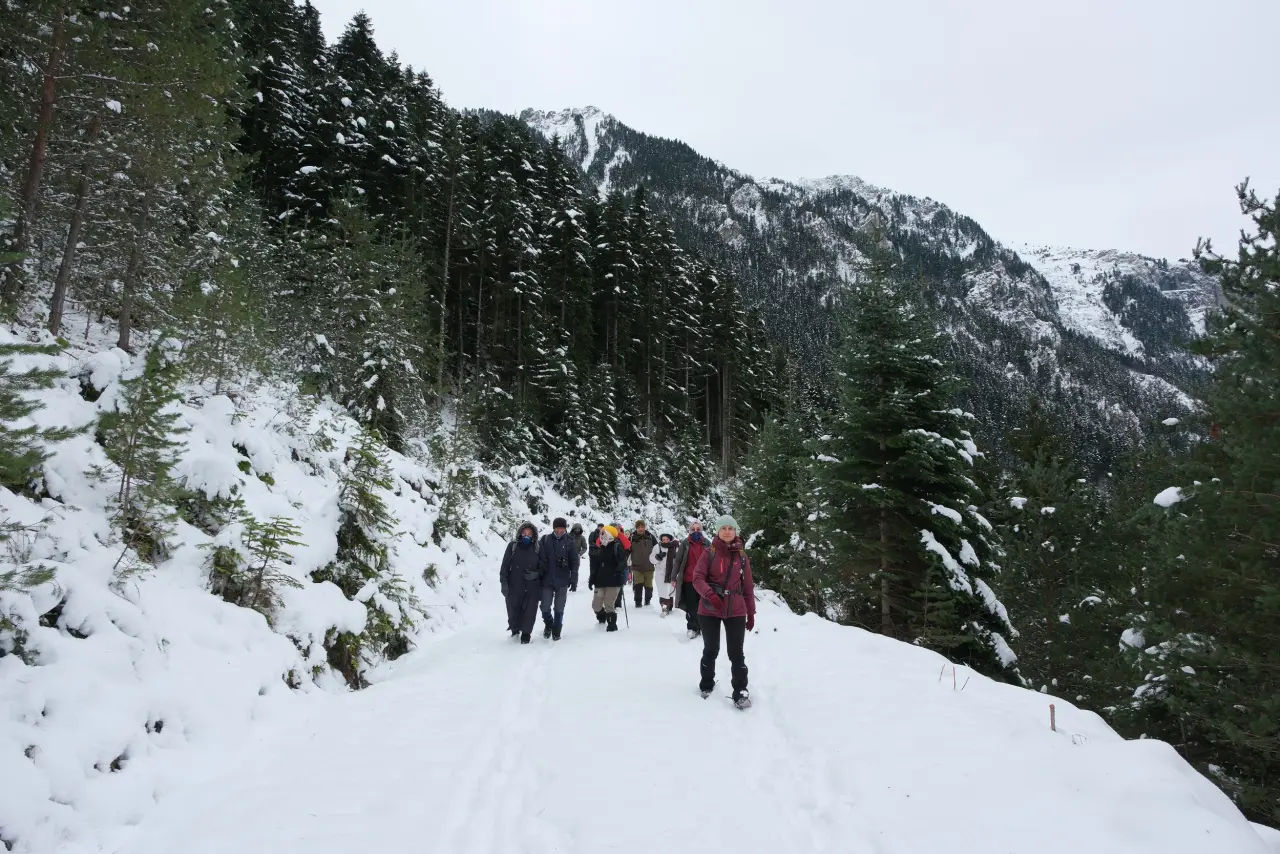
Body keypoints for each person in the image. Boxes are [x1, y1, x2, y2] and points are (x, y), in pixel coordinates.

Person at [692, 515, 756, 709]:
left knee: (736, 653)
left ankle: (740, 692)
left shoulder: (742, 557)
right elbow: (697, 578)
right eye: (723, 528)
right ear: (718, 532)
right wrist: (710, 595)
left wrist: (751, 613)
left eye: (731, 528)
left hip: (736, 608)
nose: (727, 531)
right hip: (710, 608)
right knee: (711, 649)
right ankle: (706, 684)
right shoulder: (708, 552)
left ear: (735, 531)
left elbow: (748, 587)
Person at [499, 521, 542, 644]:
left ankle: (526, 634)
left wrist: (536, 574)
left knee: (530, 611)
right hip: (514, 585)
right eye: (524, 532)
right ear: (520, 533)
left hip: (532, 586)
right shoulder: (512, 546)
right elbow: (505, 566)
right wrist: (504, 583)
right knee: (513, 609)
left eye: (529, 533)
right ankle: (514, 629)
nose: (527, 535)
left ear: (533, 535)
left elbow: (544, 566)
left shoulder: (537, 548)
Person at [538, 518, 580, 640]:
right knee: (545, 606)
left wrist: (574, 579)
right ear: (554, 528)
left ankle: (557, 628)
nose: (560, 530)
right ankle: (548, 623)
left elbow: (574, 561)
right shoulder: (545, 540)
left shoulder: (570, 542)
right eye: (558, 528)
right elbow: (539, 558)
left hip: (562, 579)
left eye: (562, 528)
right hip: (547, 579)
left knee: (559, 606)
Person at [668, 521, 708, 639]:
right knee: (691, 606)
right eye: (693, 529)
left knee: (704, 605)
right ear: (690, 530)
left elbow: (713, 560)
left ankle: (703, 627)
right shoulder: (685, 543)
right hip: (688, 580)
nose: (696, 531)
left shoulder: (707, 543)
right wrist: (673, 577)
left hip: (704, 580)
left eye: (698, 529)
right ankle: (692, 627)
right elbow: (678, 561)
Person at [588, 524, 627, 632]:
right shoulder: (600, 548)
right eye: (601, 533)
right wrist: (592, 578)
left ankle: (612, 625)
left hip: (613, 580)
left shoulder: (617, 547)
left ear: (610, 534)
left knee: (609, 604)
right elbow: (595, 565)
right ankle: (602, 617)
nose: (602, 535)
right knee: (596, 605)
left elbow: (623, 561)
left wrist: (619, 570)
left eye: (604, 533)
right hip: (600, 581)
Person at [628, 520, 658, 608]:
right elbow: (626, 550)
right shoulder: (632, 538)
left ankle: (648, 601)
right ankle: (638, 602)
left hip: (649, 566)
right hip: (637, 567)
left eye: (642, 527)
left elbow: (657, 549)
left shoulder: (651, 537)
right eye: (639, 527)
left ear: (645, 527)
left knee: (649, 585)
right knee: (638, 585)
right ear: (636, 528)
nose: (640, 529)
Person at [652, 533, 678, 615]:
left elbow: (680, 559)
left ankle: (669, 608)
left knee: (670, 591)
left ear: (670, 539)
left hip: (672, 572)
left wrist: (676, 556)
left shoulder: (675, 547)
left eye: (667, 539)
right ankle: (664, 609)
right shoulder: (657, 547)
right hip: (661, 573)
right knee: (663, 592)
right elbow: (651, 559)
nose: (665, 541)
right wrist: (658, 557)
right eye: (663, 539)